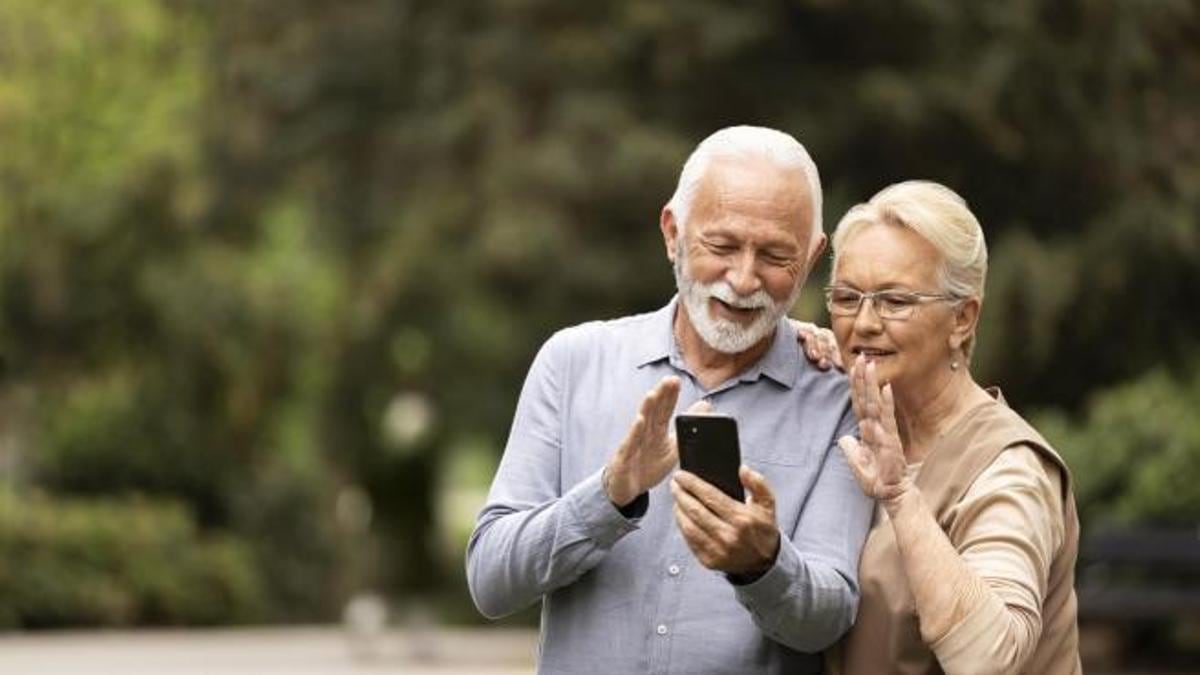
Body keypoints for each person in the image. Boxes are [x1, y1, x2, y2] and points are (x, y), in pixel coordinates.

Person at [466, 126, 873, 674]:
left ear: (813, 255)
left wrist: (764, 564)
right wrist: (609, 497)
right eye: (721, 246)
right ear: (672, 233)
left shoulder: (837, 399)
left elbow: (829, 619)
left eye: (776, 255)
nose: (743, 279)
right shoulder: (573, 363)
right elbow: (491, 581)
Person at [812, 181, 1081, 673]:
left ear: (962, 319)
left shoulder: (1010, 467)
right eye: (848, 298)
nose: (863, 322)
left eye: (895, 301)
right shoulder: (847, 421)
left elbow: (990, 658)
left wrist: (900, 497)